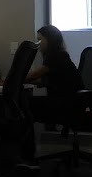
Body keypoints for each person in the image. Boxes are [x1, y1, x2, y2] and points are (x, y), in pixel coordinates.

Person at [20, 24, 82, 162]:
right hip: (69, 101)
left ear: (50, 40)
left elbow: (33, 76)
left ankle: (26, 156)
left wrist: (7, 81)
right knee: (27, 101)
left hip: (64, 103)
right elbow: (44, 80)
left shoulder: (56, 57)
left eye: (40, 39)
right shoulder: (60, 55)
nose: (38, 43)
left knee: (24, 104)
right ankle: (26, 154)